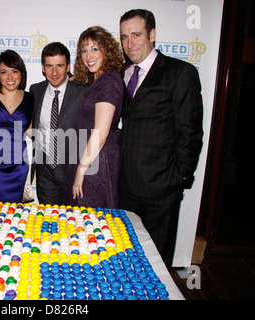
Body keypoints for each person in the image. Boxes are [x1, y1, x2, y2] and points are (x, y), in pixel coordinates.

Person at [118, 9, 203, 267]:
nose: (129, 43)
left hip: (161, 190)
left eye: (136, 35)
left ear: (152, 34)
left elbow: (191, 132)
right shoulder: (122, 73)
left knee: (157, 265)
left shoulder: (180, 72)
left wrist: (177, 179)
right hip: (125, 188)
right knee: (127, 260)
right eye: (124, 37)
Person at [67, 26, 124, 209]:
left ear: (106, 50)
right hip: (91, 158)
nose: (88, 56)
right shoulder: (99, 81)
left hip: (97, 162)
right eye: (84, 50)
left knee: (92, 223)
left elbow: (100, 133)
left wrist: (81, 169)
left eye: (95, 49)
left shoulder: (108, 82)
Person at [29, 42, 86, 206]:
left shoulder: (82, 90)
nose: (54, 72)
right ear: (43, 67)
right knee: (48, 219)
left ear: (68, 67)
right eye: (49, 66)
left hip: (73, 169)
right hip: (45, 168)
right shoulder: (36, 90)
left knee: (74, 221)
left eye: (60, 66)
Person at [0, 50, 33, 203]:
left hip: (18, 166)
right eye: (4, 72)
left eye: (14, 71)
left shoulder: (29, 98)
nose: (10, 77)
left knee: (13, 215)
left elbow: (30, 129)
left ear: (21, 73)